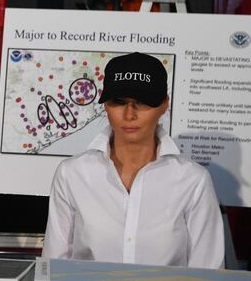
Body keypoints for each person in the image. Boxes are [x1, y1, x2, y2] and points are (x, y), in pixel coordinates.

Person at [42, 52, 224, 268]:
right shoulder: (72, 174)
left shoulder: (193, 180)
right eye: (119, 102)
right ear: (106, 105)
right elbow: (52, 267)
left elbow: (209, 271)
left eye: (142, 102)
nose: (130, 114)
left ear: (165, 104)